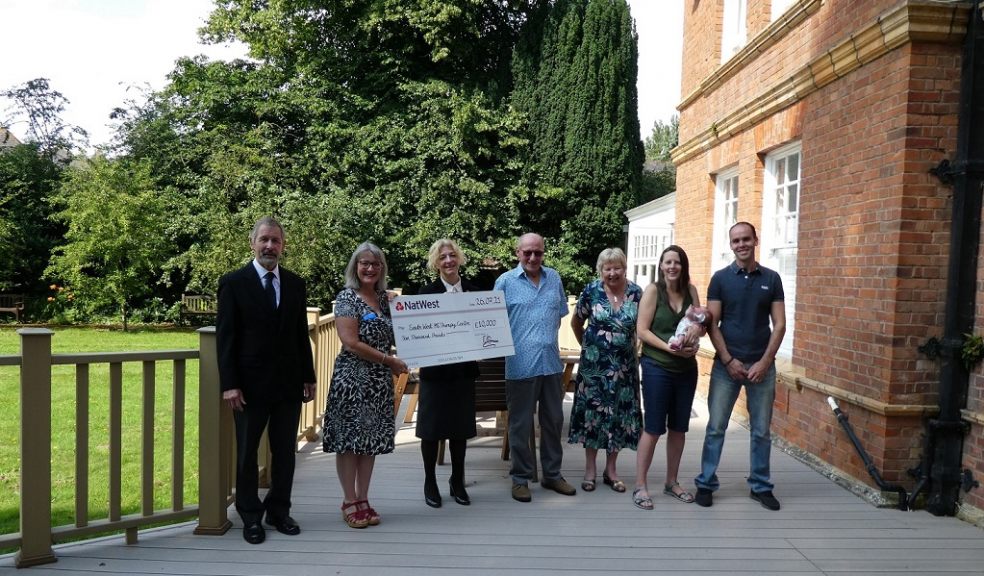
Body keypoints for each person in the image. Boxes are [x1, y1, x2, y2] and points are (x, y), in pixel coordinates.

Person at [217, 216, 317, 544]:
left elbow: (300, 336)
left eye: (275, 240)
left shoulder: (294, 284)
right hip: (248, 387)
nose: (270, 246)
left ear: (283, 246)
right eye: (264, 240)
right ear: (253, 243)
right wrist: (229, 383)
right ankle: (250, 516)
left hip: (288, 385)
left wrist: (308, 375)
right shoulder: (234, 282)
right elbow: (226, 338)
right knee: (246, 454)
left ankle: (279, 510)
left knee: (285, 452)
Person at [694, 222, 786, 510]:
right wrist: (728, 360)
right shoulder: (721, 279)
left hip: (762, 366)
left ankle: (760, 486)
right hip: (727, 368)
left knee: (761, 430)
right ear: (730, 244)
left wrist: (765, 362)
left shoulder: (771, 279)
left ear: (756, 240)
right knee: (716, 428)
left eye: (746, 239)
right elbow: (712, 323)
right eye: (736, 240)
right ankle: (706, 483)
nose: (741, 244)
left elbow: (780, 324)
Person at [322, 242, 409, 528]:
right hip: (352, 378)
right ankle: (349, 500)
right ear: (355, 267)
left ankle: (363, 497)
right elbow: (351, 342)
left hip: (378, 381)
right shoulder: (347, 297)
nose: (370, 268)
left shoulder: (387, 300)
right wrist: (389, 360)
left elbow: (412, 327)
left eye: (375, 264)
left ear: (382, 268)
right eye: (364, 263)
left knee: (369, 442)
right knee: (349, 442)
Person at [494, 232, 576, 502]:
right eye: (527, 252)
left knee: (553, 421)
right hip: (519, 366)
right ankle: (520, 479)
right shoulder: (505, 282)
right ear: (518, 252)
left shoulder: (554, 278)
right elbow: (491, 324)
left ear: (543, 252)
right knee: (519, 425)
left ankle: (552, 475)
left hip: (551, 363)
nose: (532, 257)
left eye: (537, 252)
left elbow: (560, 315)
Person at [632, 245, 705, 510]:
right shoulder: (653, 291)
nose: (672, 267)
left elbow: (701, 323)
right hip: (657, 367)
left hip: (687, 369)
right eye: (667, 262)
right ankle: (641, 485)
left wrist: (695, 335)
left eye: (677, 262)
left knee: (678, 428)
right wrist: (669, 347)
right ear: (661, 266)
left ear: (683, 266)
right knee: (653, 428)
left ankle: (671, 482)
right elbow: (642, 331)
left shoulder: (691, 291)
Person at [568, 248, 642, 494]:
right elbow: (576, 323)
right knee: (593, 417)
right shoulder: (591, 291)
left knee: (619, 417)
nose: (612, 273)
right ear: (601, 270)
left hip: (624, 369)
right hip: (594, 368)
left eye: (616, 267)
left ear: (624, 268)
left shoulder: (636, 293)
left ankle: (611, 470)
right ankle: (590, 469)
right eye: (607, 268)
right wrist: (589, 348)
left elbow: (643, 327)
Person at [415, 239, 482, 508]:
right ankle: (429, 481)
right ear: (435, 263)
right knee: (431, 430)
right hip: (434, 372)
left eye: (452, 255)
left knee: (460, 429)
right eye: (442, 257)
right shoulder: (425, 294)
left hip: (463, 372)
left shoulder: (475, 293)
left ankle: (457, 480)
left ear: (460, 259)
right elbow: (417, 335)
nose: (448, 261)